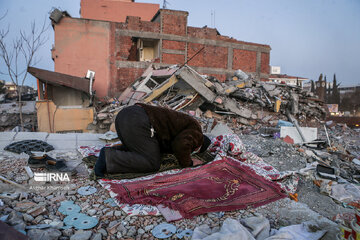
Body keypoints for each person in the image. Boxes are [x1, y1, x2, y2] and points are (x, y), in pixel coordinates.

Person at [95, 103, 211, 177]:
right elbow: (181, 144)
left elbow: (166, 144)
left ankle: (114, 153)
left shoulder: (181, 127)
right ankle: (108, 157)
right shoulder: (197, 134)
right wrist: (189, 162)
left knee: (143, 151)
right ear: (198, 146)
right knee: (152, 162)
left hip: (126, 116)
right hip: (138, 120)